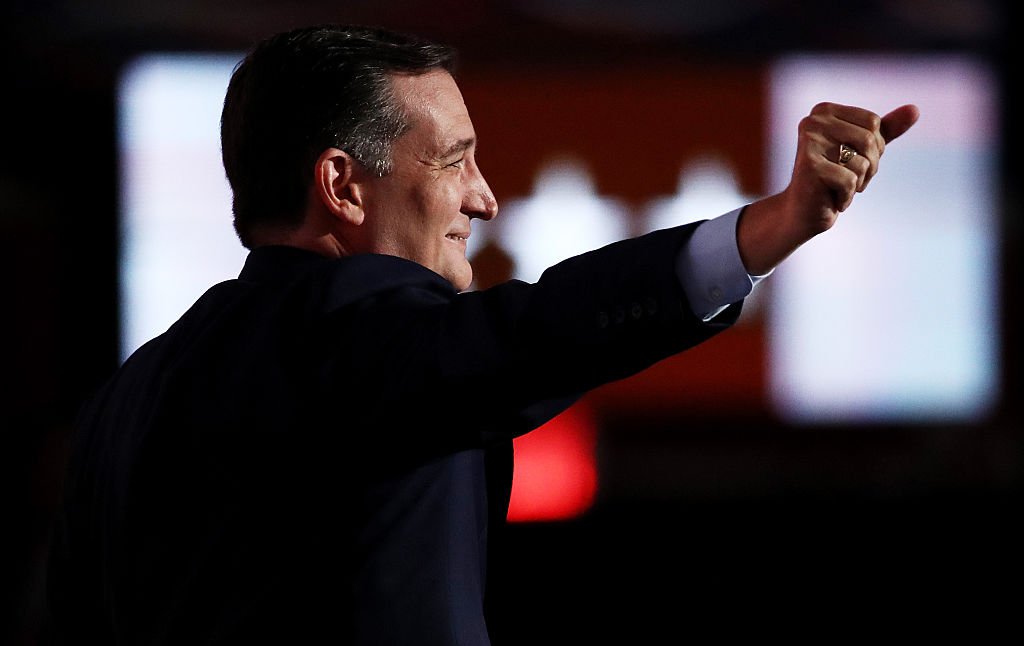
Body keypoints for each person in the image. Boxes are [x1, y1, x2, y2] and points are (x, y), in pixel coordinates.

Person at [44, 23, 919, 646]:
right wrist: (768, 229)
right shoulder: (354, 333)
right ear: (343, 186)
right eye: (453, 160)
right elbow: (544, 330)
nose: (485, 198)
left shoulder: (129, 395)